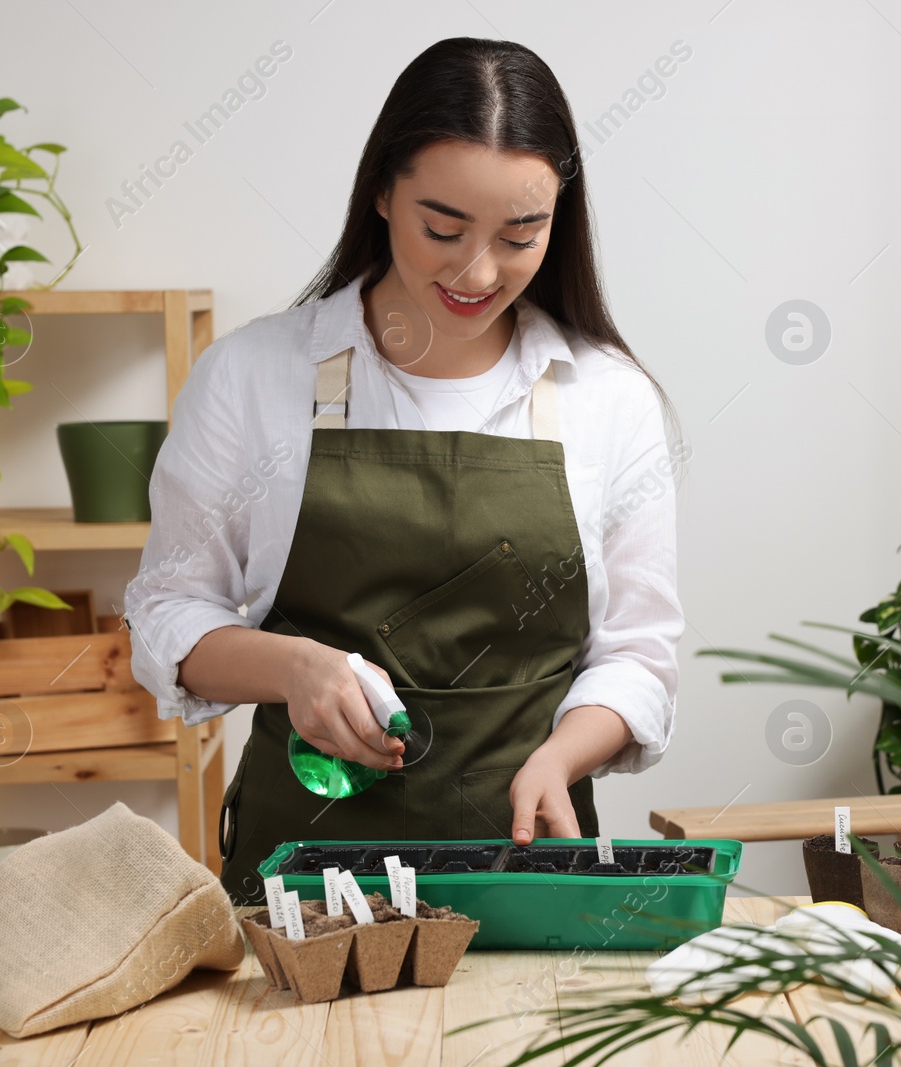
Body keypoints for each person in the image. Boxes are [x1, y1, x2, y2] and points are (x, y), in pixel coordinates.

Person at [124, 37, 686, 904]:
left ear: (558, 223)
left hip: (529, 875)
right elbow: (166, 611)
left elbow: (639, 656)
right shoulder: (252, 376)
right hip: (301, 891)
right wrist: (292, 668)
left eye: (519, 235)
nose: (477, 271)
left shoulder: (608, 398)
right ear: (381, 192)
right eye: (443, 227)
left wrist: (564, 753)